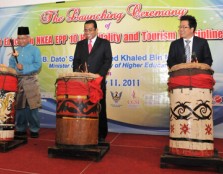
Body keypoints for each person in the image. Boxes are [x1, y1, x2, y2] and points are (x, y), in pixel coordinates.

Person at [73, 20, 112, 143]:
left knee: (99, 108)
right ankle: (84, 132)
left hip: (98, 82)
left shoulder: (104, 43)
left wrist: (98, 75)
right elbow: (76, 62)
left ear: (96, 30)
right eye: (85, 30)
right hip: (83, 83)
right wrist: (79, 72)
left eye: (90, 29)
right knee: (84, 108)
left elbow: (108, 61)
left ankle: (101, 135)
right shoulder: (80, 44)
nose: (87, 32)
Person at [9, 26, 42, 138]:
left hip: (31, 81)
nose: (21, 40)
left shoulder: (35, 50)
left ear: (29, 38)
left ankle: (34, 128)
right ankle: (20, 128)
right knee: (20, 107)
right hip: (19, 82)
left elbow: (38, 65)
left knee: (32, 107)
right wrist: (14, 70)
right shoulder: (15, 51)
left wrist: (24, 67)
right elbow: (11, 66)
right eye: (19, 38)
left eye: (23, 38)